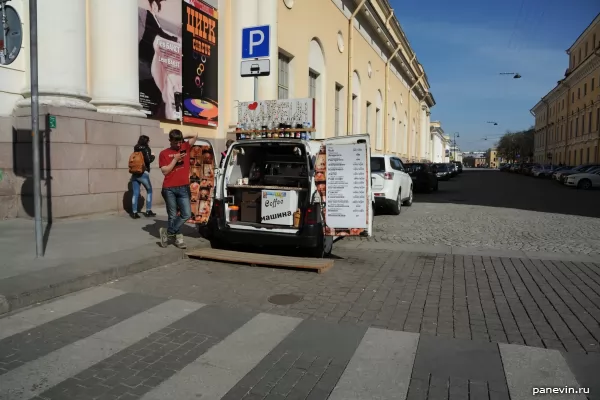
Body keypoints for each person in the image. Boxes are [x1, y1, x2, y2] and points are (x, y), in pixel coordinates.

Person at [158, 129, 198, 249]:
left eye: (179, 141)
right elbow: (165, 171)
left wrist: (180, 136)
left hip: (183, 187)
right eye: (175, 142)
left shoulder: (185, 146)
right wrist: (175, 159)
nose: (178, 144)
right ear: (170, 141)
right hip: (169, 188)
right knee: (173, 215)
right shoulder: (164, 153)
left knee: (186, 214)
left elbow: (195, 134)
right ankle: (178, 238)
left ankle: (168, 232)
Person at [131, 135, 156, 219]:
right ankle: (148, 211)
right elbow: (148, 160)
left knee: (135, 193)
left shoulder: (136, 147)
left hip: (135, 172)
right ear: (146, 141)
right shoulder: (146, 148)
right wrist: (153, 156)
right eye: (148, 141)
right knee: (149, 191)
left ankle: (134, 213)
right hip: (143, 173)